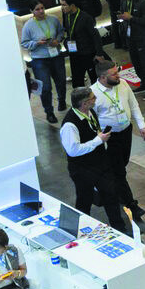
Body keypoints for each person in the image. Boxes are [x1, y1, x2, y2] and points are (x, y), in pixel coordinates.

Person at [59, 87, 131, 235]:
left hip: (100, 164)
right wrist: (98, 140)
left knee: (111, 195)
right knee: (84, 199)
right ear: (84, 103)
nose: (95, 99)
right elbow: (73, 150)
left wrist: (100, 139)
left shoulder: (90, 112)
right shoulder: (70, 125)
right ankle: (78, 230)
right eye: (93, 98)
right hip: (82, 169)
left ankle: (120, 229)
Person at [90, 58, 145, 228]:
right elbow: (92, 120)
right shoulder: (93, 94)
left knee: (122, 164)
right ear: (102, 77)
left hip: (126, 131)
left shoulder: (122, 84)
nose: (118, 75)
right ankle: (131, 204)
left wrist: (142, 125)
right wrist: (98, 138)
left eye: (117, 71)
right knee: (119, 172)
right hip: (110, 138)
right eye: (114, 74)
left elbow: (134, 104)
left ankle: (102, 190)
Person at [58, 0, 107, 90]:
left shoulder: (85, 18)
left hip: (88, 53)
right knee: (77, 82)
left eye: (64, 5)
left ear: (72, 5)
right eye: (61, 5)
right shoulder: (67, 16)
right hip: (74, 53)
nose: (62, 8)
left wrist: (99, 53)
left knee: (95, 81)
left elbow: (95, 36)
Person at [20, 0, 67, 124]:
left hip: (56, 56)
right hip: (40, 60)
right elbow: (24, 43)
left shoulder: (53, 19)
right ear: (32, 11)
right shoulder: (28, 25)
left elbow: (61, 32)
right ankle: (49, 112)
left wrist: (58, 40)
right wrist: (37, 43)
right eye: (37, 9)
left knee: (61, 81)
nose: (41, 11)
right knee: (45, 87)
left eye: (42, 8)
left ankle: (62, 100)